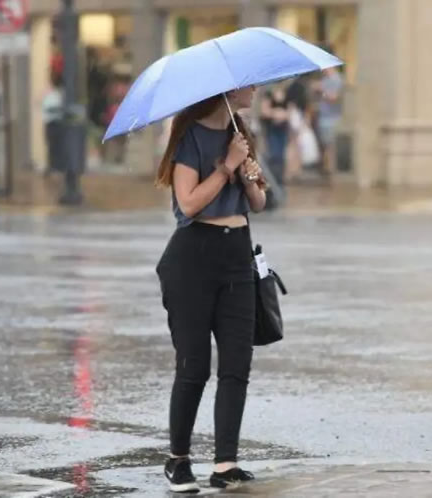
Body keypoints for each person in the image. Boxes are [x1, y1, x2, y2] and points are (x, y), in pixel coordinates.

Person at [155, 87, 266, 493]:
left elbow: (257, 204)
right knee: (194, 366)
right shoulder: (190, 138)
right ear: (227, 90)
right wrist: (225, 168)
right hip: (192, 259)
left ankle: (225, 463)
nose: (254, 89)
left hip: (237, 256)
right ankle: (178, 459)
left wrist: (249, 179)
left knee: (237, 364)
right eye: (248, 84)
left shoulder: (240, 135)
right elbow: (188, 204)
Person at [259, 84, 290, 206]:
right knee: (274, 156)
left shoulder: (286, 93)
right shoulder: (269, 93)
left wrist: (283, 114)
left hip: (282, 129)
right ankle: (273, 185)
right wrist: (276, 113)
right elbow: (264, 111)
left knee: (281, 157)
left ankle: (280, 183)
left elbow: (290, 110)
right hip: (272, 129)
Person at [316, 65, 344, 179]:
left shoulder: (337, 80)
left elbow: (335, 98)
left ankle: (331, 169)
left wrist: (322, 92)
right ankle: (326, 167)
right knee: (325, 144)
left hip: (333, 117)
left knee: (331, 144)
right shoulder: (324, 80)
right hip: (324, 116)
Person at [42, 71, 64, 176]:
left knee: (55, 145)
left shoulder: (58, 94)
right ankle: (53, 166)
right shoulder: (51, 93)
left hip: (55, 123)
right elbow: (46, 107)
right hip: (51, 122)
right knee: (52, 145)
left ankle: (56, 166)